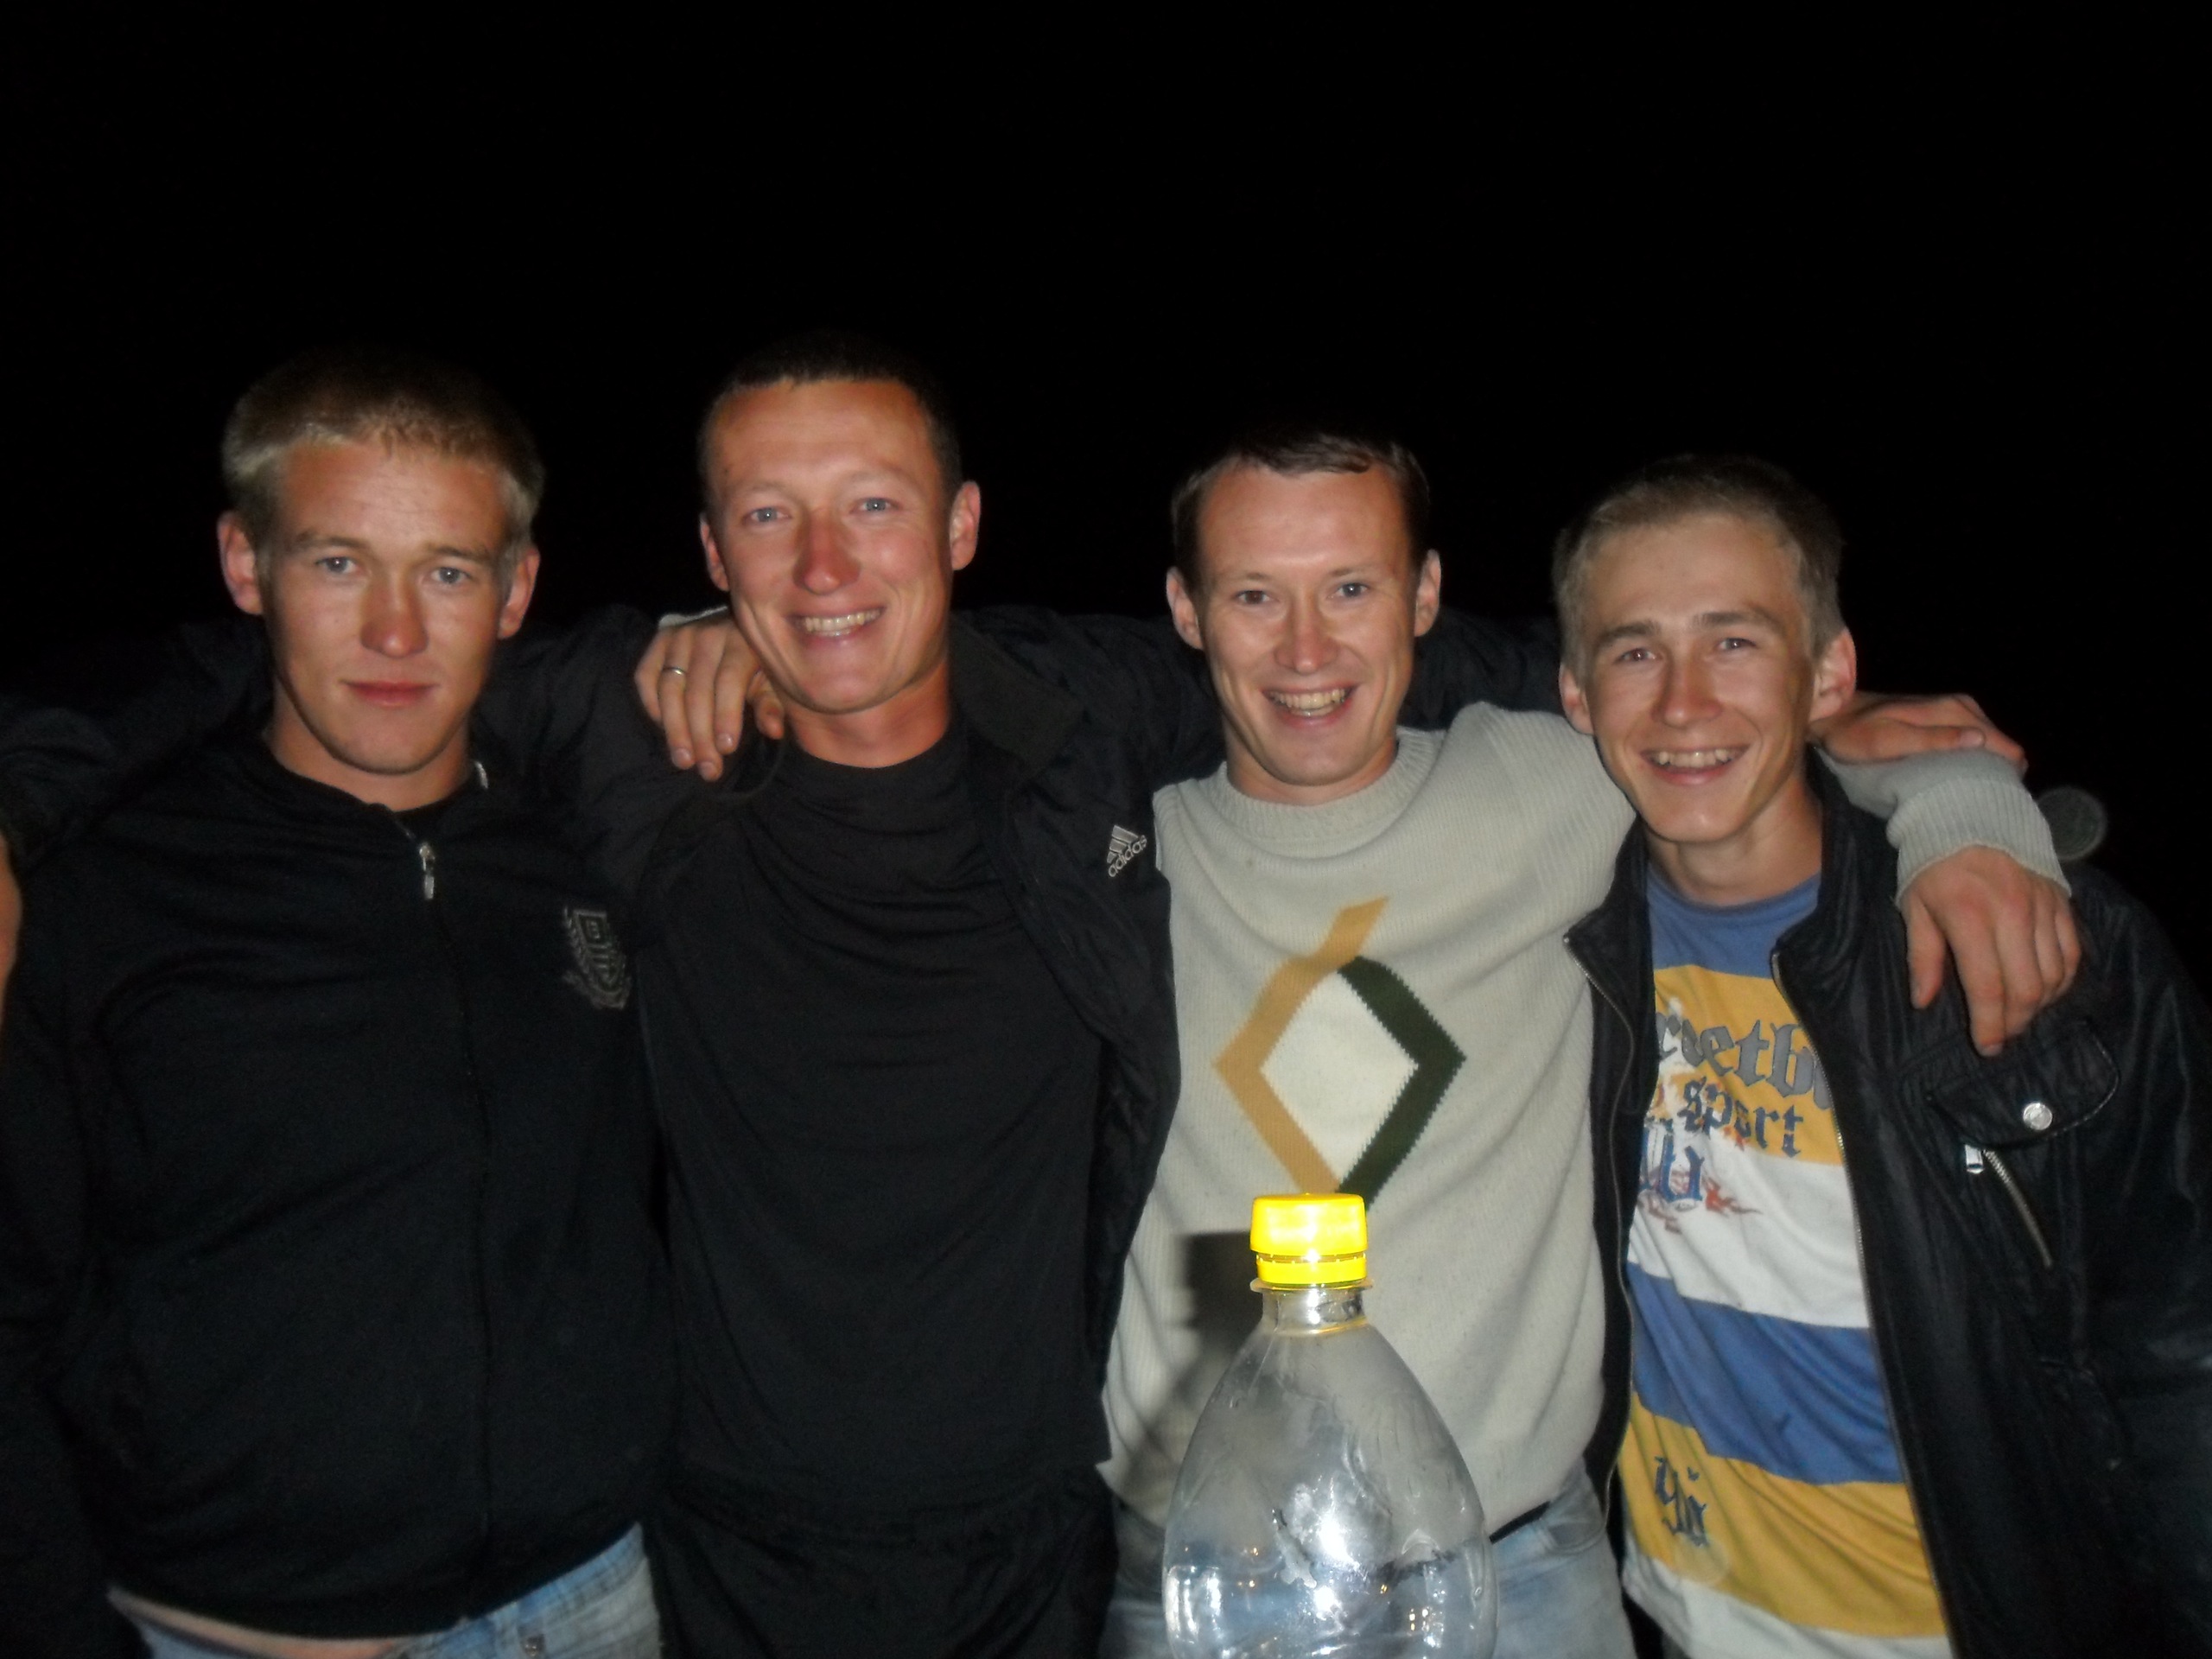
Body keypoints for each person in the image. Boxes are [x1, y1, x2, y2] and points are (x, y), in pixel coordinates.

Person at [0, 334, 2077, 1659]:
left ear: (963, 529)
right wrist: (16, 796)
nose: (825, 568)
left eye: (872, 508)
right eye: (770, 520)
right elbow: (302, 665)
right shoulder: (624, 737)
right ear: (707, 550)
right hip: (721, 1559)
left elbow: (1632, 702)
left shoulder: (1086, 744)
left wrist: (1941, 783)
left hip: (1089, 1556)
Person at [1085, 429, 2074, 1659]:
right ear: (1185, 610)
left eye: (1350, 588)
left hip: (1524, 1568)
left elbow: (1741, 736)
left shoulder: (1551, 790)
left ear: (1425, 595)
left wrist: (1963, 808)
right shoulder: (1111, 851)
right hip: (1206, 1574)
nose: (1306, 649)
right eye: (1253, 596)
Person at [0, 348, 674, 1659]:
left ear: (516, 589)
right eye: (338, 562)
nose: (395, 632)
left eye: (448, 571)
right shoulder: (100, 896)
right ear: (245, 565)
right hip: (232, 1635)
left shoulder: (578, 859)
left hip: (595, 1601)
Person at [1555, 455, 2212, 1659]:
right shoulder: (1565, 939)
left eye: (1736, 642)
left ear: (1830, 674)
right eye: (1636, 651)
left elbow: (2179, 1350)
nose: (1684, 704)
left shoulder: (2041, 944)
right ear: (1576, 692)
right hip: (1673, 1616)